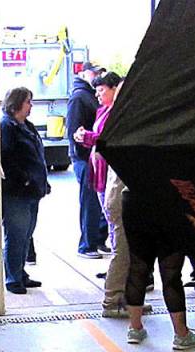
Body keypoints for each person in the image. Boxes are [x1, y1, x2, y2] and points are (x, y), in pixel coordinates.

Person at [121, 189, 195, 350]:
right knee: (171, 273)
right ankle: (181, 335)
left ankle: (135, 328)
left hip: (133, 201)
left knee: (138, 266)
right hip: (169, 202)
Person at [0, 87, 48, 295]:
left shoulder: (26, 126)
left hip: (33, 191)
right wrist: (25, 179)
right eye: (28, 101)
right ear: (17, 103)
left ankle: (20, 273)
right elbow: (6, 158)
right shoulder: (7, 127)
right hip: (18, 192)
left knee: (26, 235)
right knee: (16, 235)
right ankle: (13, 278)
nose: (31, 106)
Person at [74, 72, 122, 249]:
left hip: (110, 170)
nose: (97, 95)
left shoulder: (117, 113)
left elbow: (107, 136)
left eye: (101, 90)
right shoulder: (103, 110)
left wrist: (87, 136)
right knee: (108, 215)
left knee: (113, 217)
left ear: (114, 90)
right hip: (100, 169)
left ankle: (118, 258)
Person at [66, 61, 108, 258]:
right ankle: (87, 245)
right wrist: (80, 155)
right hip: (85, 159)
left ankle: (98, 240)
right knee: (90, 202)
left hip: (95, 157)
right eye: (94, 72)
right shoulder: (79, 97)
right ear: (83, 73)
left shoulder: (90, 95)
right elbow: (74, 131)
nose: (97, 75)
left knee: (99, 202)